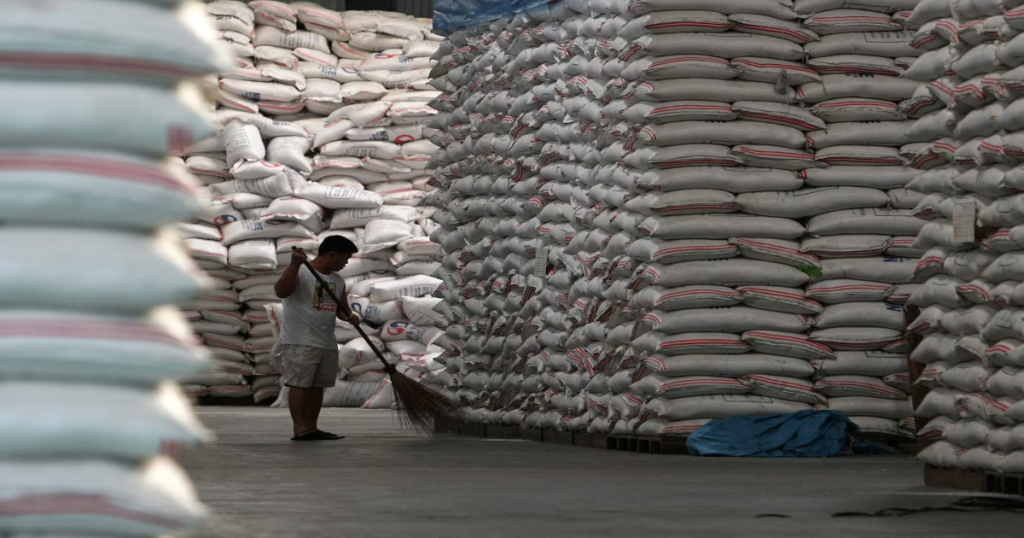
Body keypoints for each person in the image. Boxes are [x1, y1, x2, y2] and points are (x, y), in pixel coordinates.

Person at [273, 235, 360, 441]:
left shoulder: (337, 280)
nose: (346, 263)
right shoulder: (301, 271)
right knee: (300, 384)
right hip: (300, 339)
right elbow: (281, 291)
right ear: (333, 255)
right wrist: (294, 264)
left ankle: (312, 427)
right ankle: (300, 428)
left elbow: (341, 309)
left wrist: (350, 316)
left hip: (326, 341)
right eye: (345, 258)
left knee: (317, 386)